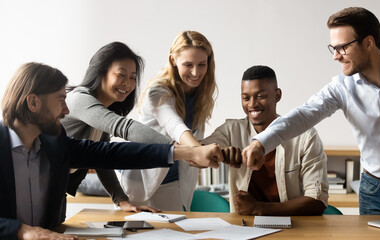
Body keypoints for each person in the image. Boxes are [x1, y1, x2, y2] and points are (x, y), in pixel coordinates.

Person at [0, 62, 223, 239]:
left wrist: (184, 153)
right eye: (60, 100)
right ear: (33, 103)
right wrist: (22, 231)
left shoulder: (55, 144)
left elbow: (110, 153)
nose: (66, 110)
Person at [242, 7, 380, 215]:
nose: (336, 57)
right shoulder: (341, 87)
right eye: (333, 48)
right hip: (376, 193)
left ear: (368, 43)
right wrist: (261, 142)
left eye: (342, 48)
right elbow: (303, 115)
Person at [62, 42, 173, 213]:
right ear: (100, 72)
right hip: (36, 181)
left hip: (56, 185)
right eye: (121, 74)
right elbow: (123, 126)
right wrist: (180, 150)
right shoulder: (79, 99)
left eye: (132, 77)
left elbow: (101, 160)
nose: (127, 84)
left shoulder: (101, 111)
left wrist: (122, 200)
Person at [202, 65, 328, 215]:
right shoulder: (231, 130)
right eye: (246, 98)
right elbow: (198, 152)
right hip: (243, 228)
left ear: (277, 95)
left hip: (294, 228)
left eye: (260, 96)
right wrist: (220, 151)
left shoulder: (306, 136)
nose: (252, 104)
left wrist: (259, 208)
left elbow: (317, 200)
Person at [120, 30, 217, 211]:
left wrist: (205, 154)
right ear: (173, 60)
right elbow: (174, 126)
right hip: (140, 178)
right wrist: (198, 153)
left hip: (172, 181)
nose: (196, 72)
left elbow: (196, 141)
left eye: (202, 64)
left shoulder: (200, 95)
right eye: (188, 64)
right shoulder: (157, 91)